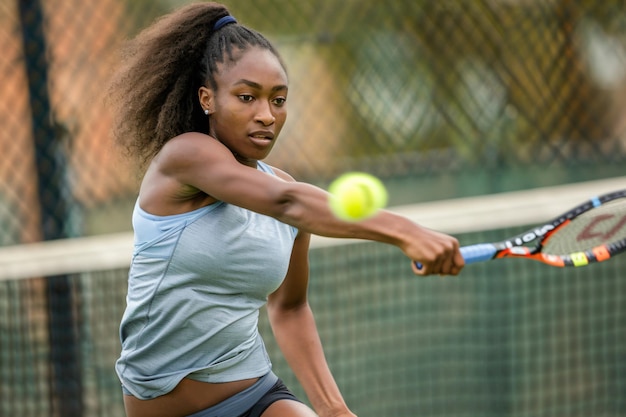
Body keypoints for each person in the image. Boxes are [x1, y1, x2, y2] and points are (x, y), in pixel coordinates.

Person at [107, 2, 464, 417]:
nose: (266, 115)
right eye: (246, 97)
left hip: (255, 396)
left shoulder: (288, 195)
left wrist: (333, 409)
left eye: (278, 100)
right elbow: (287, 202)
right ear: (208, 98)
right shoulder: (184, 157)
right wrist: (406, 232)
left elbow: (290, 307)